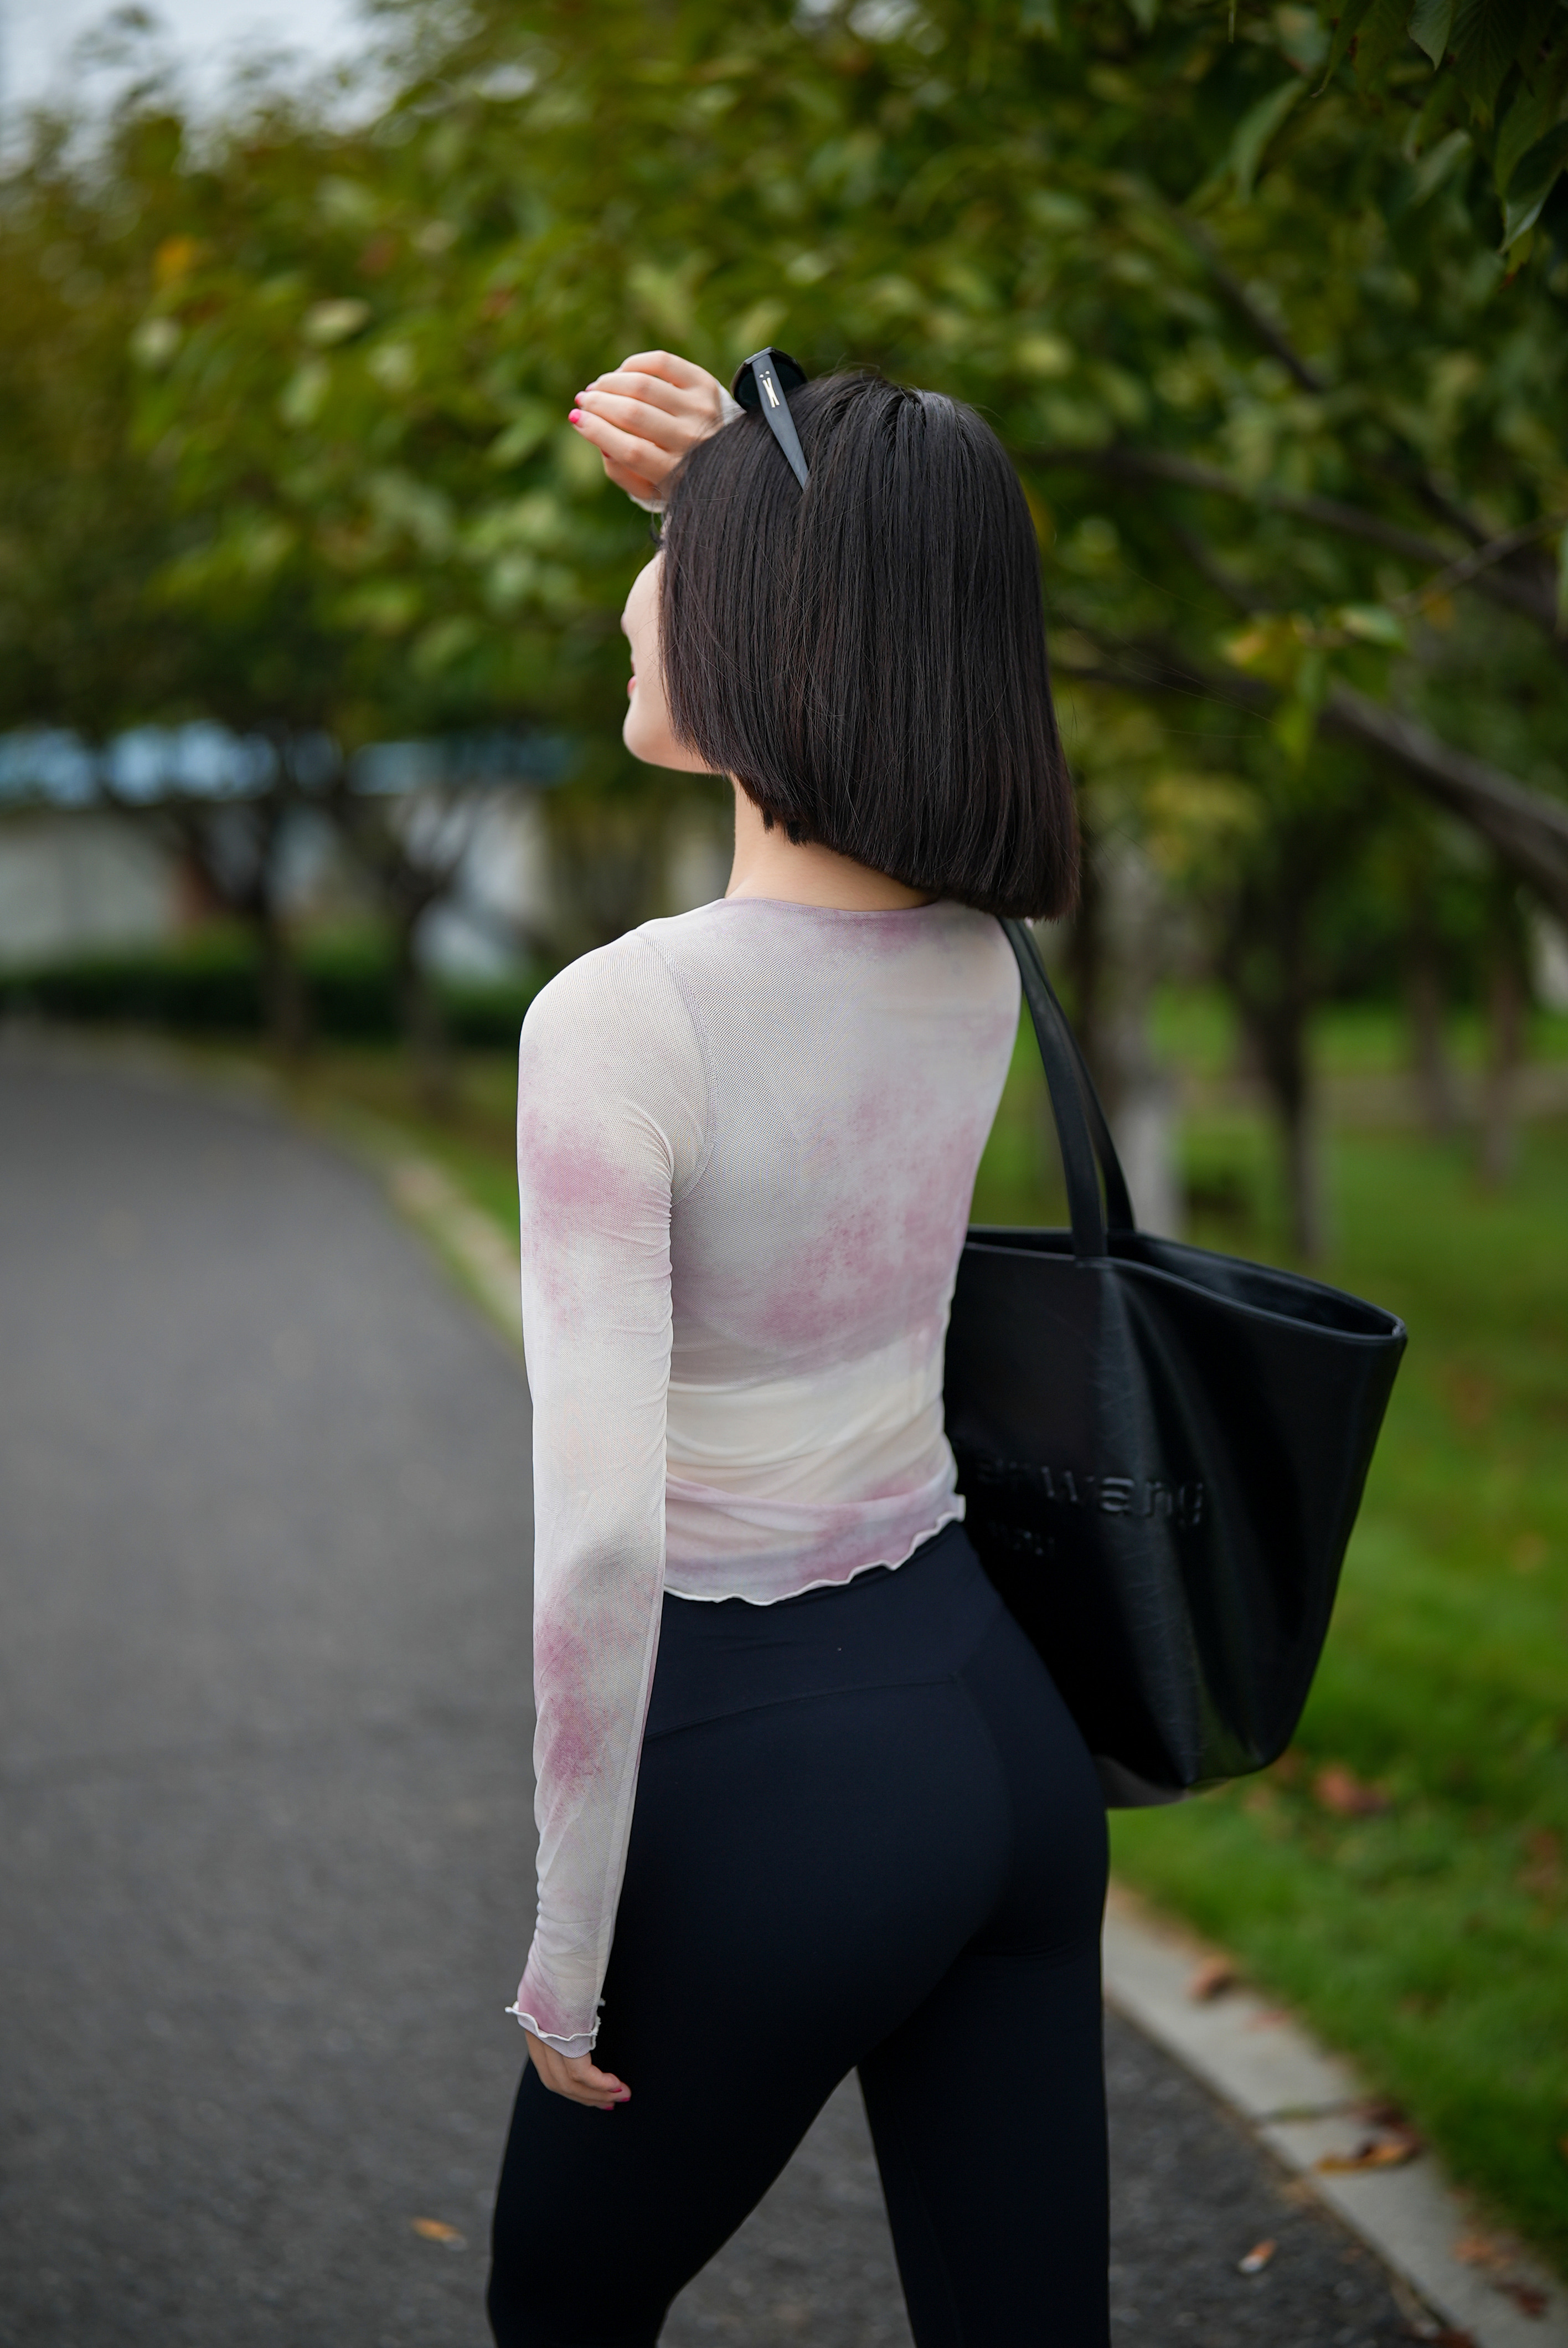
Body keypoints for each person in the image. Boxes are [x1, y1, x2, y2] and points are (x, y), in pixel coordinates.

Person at [488, 350, 1110, 2347]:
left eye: (672, 569)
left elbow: (601, 1543)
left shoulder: (619, 1020)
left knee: (557, 2316)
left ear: (771, 620)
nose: (631, 597)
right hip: (997, 1731)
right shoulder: (973, 953)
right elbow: (896, 624)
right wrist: (753, 509)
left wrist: (569, 1943)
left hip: (771, 1774)